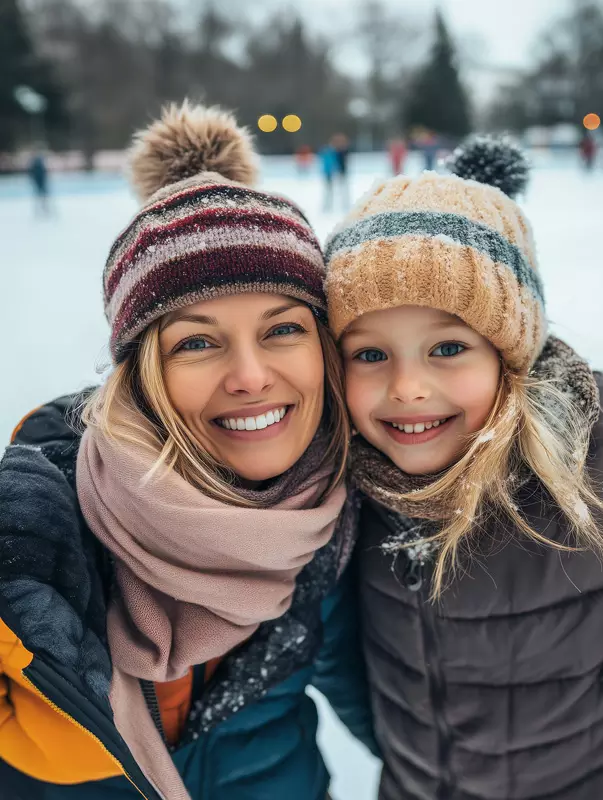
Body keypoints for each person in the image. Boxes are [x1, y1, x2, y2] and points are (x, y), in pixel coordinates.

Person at [0, 102, 376, 800]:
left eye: (282, 330)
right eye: (196, 342)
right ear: (143, 372)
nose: (250, 376)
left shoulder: (333, 514)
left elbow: (392, 703)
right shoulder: (37, 531)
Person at [325, 135, 603, 799]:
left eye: (447, 347)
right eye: (369, 355)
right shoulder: (344, 490)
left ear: (511, 355)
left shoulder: (586, 475)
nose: (408, 387)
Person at [28, 150, 50, 215]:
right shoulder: (37, 165)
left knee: (42, 196)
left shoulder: (36, 164)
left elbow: (43, 174)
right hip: (40, 183)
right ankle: (42, 209)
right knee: (42, 196)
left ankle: (44, 208)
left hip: (40, 183)